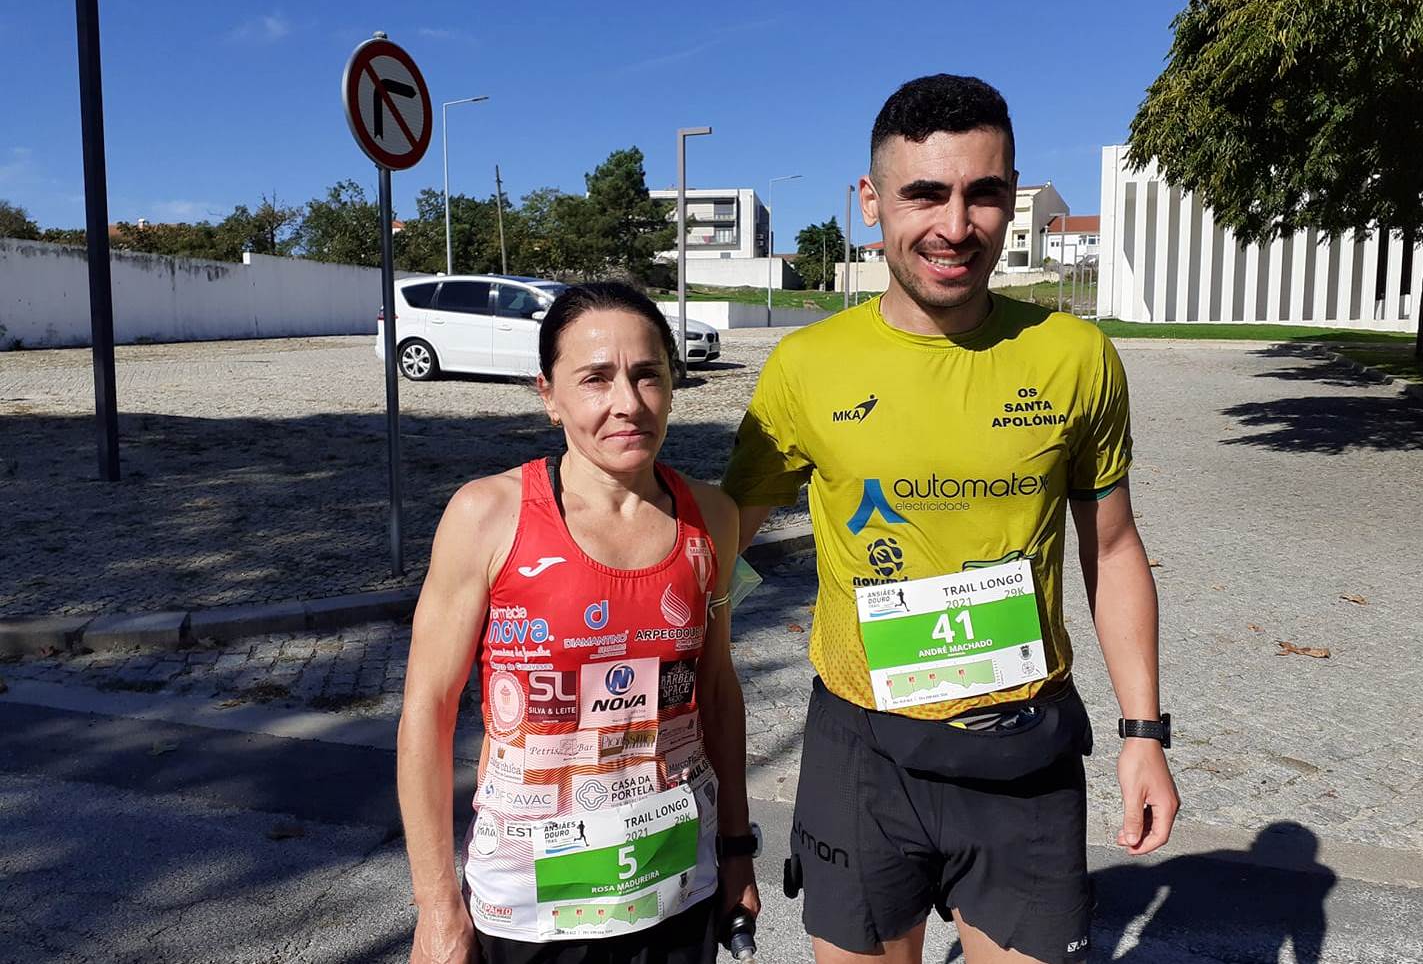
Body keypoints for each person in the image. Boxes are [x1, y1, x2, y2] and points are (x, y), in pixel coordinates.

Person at [723, 75, 1179, 964]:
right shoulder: (806, 365)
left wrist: (1144, 734)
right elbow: (717, 544)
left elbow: (1114, 550)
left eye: (984, 193)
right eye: (924, 192)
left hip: (1024, 751)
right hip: (859, 745)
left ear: (1013, 198)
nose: (955, 225)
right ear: (870, 201)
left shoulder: (1075, 357)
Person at [399, 282, 760, 964]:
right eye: (595, 378)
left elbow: (715, 690)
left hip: (674, 883)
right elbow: (427, 708)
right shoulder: (487, 515)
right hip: (532, 908)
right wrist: (437, 906)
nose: (627, 402)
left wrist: (737, 848)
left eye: (648, 374)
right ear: (549, 393)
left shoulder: (712, 517)